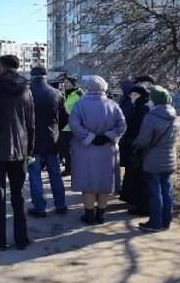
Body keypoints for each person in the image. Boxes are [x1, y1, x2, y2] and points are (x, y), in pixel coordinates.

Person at [0, 55, 34, 250]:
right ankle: (22, 239)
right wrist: (29, 149)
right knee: (19, 195)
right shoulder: (26, 90)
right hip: (19, 149)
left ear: (1, 68)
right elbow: (30, 123)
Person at [69, 76, 127, 225]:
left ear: (88, 88)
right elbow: (122, 126)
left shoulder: (79, 104)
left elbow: (74, 125)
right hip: (107, 150)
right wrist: (109, 136)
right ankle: (100, 215)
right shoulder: (113, 105)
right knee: (105, 182)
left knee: (88, 182)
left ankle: (88, 215)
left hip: (85, 149)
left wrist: (89, 137)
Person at [134, 86, 180, 232]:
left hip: (153, 159)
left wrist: (134, 144)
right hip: (170, 158)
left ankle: (155, 223)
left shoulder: (151, 118)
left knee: (155, 192)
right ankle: (166, 222)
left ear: (154, 100)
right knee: (167, 191)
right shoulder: (174, 117)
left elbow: (142, 141)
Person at [27, 66, 68, 217]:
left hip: (32, 142)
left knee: (34, 174)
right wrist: (56, 132)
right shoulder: (56, 93)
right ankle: (60, 204)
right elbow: (65, 119)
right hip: (52, 140)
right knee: (55, 173)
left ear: (32, 76)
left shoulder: (27, 92)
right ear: (46, 76)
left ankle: (40, 207)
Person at [119, 84, 150, 215]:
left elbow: (139, 130)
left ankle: (142, 206)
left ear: (140, 96)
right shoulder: (137, 108)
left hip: (139, 148)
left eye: (134, 95)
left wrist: (129, 141)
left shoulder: (141, 110)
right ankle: (138, 203)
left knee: (139, 178)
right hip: (136, 147)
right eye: (131, 94)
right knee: (135, 176)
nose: (131, 97)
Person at [58, 75, 82, 176]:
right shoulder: (61, 95)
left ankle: (76, 170)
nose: (65, 84)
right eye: (64, 82)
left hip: (74, 127)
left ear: (73, 84)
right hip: (63, 127)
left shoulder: (78, 95)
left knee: (75, 151)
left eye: (67, 82)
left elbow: (76, 111)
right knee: (65, 151)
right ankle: (68, 169)